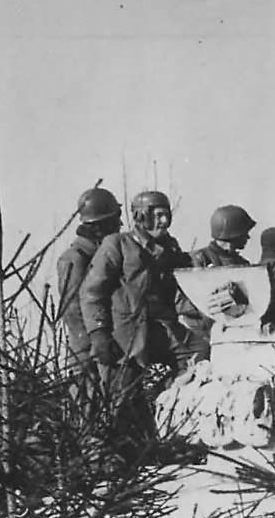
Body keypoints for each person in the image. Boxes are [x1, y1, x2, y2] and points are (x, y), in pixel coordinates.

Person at [79, 189, 196, 443]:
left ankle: (164, 406)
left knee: (199, 357)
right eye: (158, 216)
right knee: (123, 403)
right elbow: (92, 292)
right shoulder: (117, 244)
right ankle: (124, 459)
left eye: (167, 216)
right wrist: (98, 334)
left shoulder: (170, 249)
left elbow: (184, 290)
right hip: (125, 336)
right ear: (141, 217)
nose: (164, 222)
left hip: (163, 329)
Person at [56, 187, 121, 373]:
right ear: (100, 226)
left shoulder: (104, 255)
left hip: (108, 346)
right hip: (88, 354)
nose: (120, 224)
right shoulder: (75, 258)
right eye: (114, 221)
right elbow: (72, 310)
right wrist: (95, 343)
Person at [178, 204, 257, 349]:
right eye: (244, 232)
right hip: (200, 334)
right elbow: (185, 302)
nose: (247, 237)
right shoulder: (198, 259)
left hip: (234, 334)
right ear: (232, 233)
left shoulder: (242, 264)